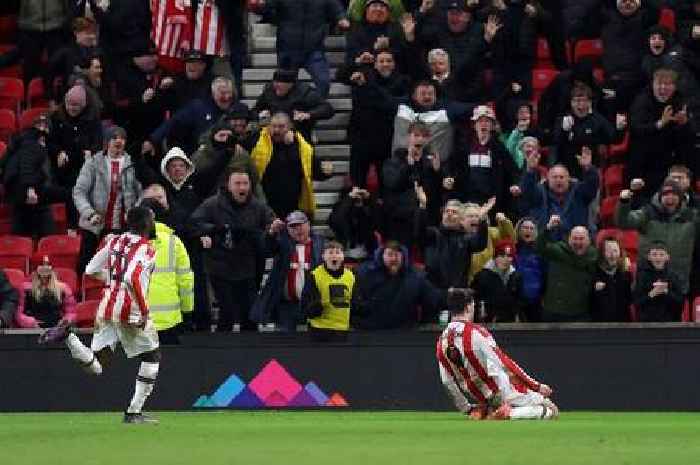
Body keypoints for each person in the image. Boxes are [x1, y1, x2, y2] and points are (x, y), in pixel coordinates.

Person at [39, 206, 161, 424]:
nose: (154, 223)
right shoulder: (147, 249)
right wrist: (143, 312)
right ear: (145, 224)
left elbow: (90, 269)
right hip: (129, 309)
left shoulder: (115, 241)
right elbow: (132, 279)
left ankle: (69, 337)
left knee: (97, 365)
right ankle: (134, 412)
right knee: (152, 357)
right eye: (152, 220)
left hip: (106, 307)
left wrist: (112, 278)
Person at [436, 288, 558, 420]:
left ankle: (488, 409)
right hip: (500, 392)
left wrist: (466, 408)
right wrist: (536, 386)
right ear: (468, 307)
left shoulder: (442, 340)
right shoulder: (476, 332)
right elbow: (503, 362)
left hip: (479, 395)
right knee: (551, 410)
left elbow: (447, 381)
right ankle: (506, 413)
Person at [191, 168, 276, 332]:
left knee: (250, 315)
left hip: (248, 268)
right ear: (228, 186)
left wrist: (272, 229)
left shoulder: (258, 206)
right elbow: (194, 223)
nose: (241, 187)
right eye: (237, 183)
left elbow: (270, 223)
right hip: (219, 267)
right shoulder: (212, 204)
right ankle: (221, 352)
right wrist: (215, 230)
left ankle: (251, 352)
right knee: (227, 313)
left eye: (245, 183)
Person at [73, 126, 143, 272]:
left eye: (122, 138)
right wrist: (89, 213)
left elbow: (142, 193)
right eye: (114, 138)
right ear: (106, 142)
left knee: (120, 268)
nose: (119, 141)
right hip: (94, 225)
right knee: (87, 266)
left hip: (123, 226)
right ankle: (82, 293)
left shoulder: (133, 165)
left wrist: (133, 213)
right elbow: (79, 192)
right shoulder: (93, 163)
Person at [616, 178, 699, 296]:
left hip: (677, 283)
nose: (670, 197)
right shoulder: (647, 213)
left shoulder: (691, 217)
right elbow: (623, 222)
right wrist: (624, 202)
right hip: (647, 282)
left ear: (681, 197)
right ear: (660, 196)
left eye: (674, 194)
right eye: (666, 194)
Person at [255, 0, 351, 97]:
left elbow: (336, 8)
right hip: (288, 48)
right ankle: (289, 108)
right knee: (285, 85)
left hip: (314, 48)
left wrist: (341, 18)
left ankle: (314, 106)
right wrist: (261, 6)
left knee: (323, 81)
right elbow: (268, 7)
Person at [247, 111, 334, 219]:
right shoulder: (257, 141)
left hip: (294, 205)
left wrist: (325, 172)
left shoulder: (302, 146)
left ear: (290, 127)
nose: (276, 130)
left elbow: (313, 171)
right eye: (273, 126)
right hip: (265, 203)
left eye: (281, 126)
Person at [251, 210, 325, 332]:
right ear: (288, 230)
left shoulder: (320, 244)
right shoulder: (282, 244)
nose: (298, 230)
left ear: (308, 225)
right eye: (293, 227)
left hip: (313, 303)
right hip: (287, 305)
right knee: (285, 341)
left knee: (315, 341)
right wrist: (271, 233)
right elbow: (266, 249)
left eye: (301, 225)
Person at [351, 240, 446, 329]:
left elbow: (434, 299)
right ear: (381, 256)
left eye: (397, 255)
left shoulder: (415, 277)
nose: (393, 258)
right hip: (370, 331)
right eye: (390, 254)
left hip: (405, 332)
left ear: (403, 257)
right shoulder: (365, 274)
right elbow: (355, 303)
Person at [138, 198, 194, 344]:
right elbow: (185, 280)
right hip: (169, 321)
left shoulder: (125, 243)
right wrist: (187, 309)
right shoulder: (174, 242)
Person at [516, 145, 599, 241]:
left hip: (574, 244)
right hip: (546, 243)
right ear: (548, 179)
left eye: (561, 177)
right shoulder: (540, 191)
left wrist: (588, 168)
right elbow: (527, 192)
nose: (558, 180)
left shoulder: (579, 191)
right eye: (555, 177)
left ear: (568, 179)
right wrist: (530, 170)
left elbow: (592, 187)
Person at [2, 113, 55, 238]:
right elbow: (23, 168)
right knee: (20, 239)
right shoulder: (23, 144)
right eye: (39, 126)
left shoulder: (49, 148)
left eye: (45, 127)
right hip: (23, 197)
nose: (42, 130)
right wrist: (29, 188)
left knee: (47, 237)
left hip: (41, 199)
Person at [536, 216, 598, 322]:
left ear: (588, 240)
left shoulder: (594, 256)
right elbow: (539, 247)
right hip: (553, 313)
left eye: (581, 239)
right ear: (569, 239)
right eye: (575, 238)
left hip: (580, 314)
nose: (578, 242)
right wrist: (548, 228)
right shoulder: (558, 250)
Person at [254, 68, 335, 143]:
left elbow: (328, 109)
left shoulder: (305, 93)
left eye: (279, 85)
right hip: (274, 134)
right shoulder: (269, 91)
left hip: (299, 134)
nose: (276, 88)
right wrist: (259, 115)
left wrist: (309, 114)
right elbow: (254, 111)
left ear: (290, 85)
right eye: (275, 84)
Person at [302, 240, 356, 341]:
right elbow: (306, 305)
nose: (334, 255)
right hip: (320, 329)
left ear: (343, 256)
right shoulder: (314, 275)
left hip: (343, 328)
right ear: (323, 256)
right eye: (330, 252)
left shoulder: (351, 276)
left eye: (338, 252)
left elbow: (354, 301)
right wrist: (317, 306)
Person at [15, 257, 77, 329]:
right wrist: (31, 323)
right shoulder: (25, 289)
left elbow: (71, 312)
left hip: (57, 328)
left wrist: (65, 321)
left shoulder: (63, 289)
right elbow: (18, 313)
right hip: (32, 329)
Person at [471, 240, 525, 323]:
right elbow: (475, 301)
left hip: (509, 324)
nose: (506, 259)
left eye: (509, 256)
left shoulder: (516, 277)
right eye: (502, 255)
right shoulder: (482, 276)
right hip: (487, 323)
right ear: (495, 257)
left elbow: (519, 302)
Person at [633, 240, 684, 322]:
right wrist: (652, 294)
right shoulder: (642, 276)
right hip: (647, 324)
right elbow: (637, 303)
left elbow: (680, 304)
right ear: (649, 257)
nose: (658, 258)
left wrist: (666, 292)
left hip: (670, 323)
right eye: (654, 254)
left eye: (661, 254)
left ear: (667, 257)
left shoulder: (673, 276)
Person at [591, 235, 633, 322]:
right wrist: (594, 290)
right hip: (600, 324)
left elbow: (630, 300)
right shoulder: (594, 272)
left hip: (623, 323)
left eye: (615, 251)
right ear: (602, 253)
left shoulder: (626, 273)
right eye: (608, 251)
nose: (612, 255)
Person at [513, 217, 545, 322]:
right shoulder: (513, 249)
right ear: (519, 230)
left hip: (536, 300)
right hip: (517, 300)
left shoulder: (540, 251)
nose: (528, 230)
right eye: (525, 228)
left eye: (531, 228)